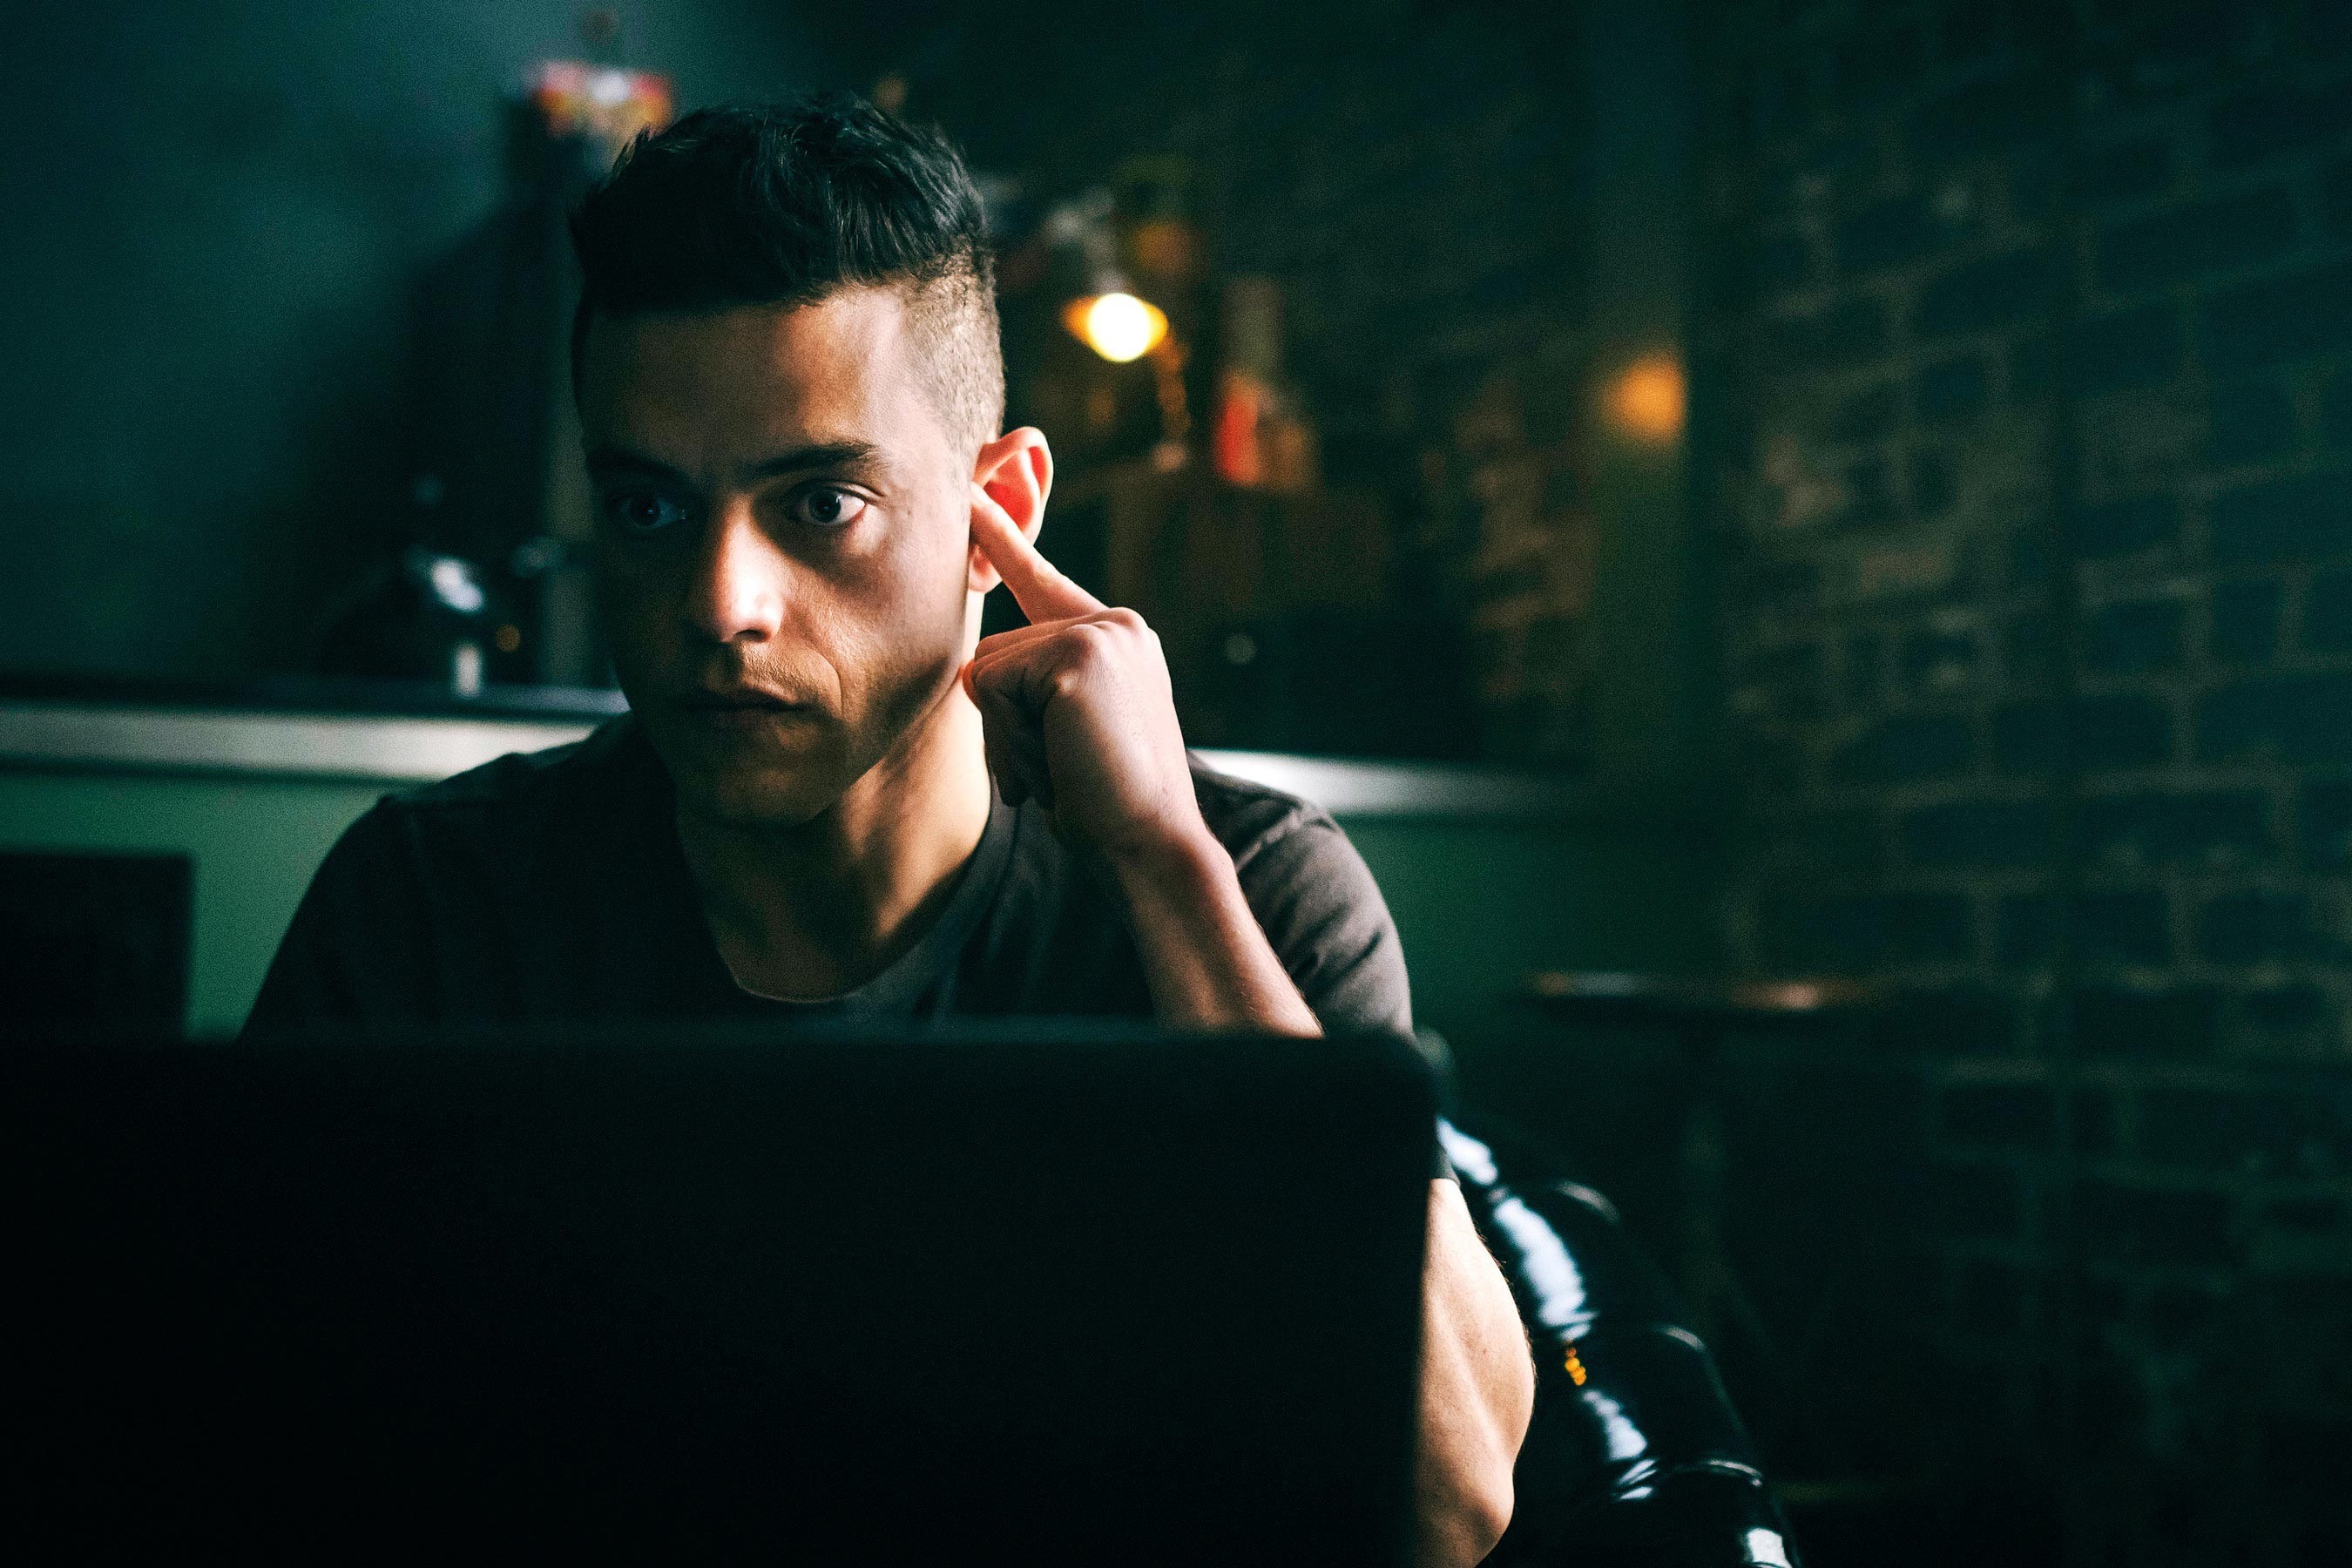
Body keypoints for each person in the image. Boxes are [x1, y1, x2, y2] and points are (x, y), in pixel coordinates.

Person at [246, 94, 1533, 1564]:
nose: (721, 604)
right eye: (652, 510)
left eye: (822, 502)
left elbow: (1450, 1503)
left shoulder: (1245, 890)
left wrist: (1164, 864)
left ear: (1001, 513)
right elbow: (229, 1450)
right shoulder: (432, 908)